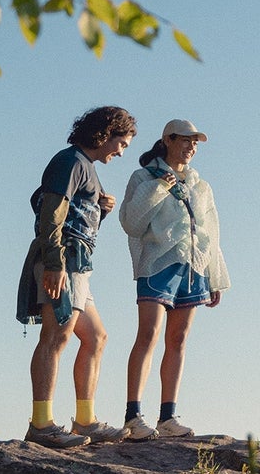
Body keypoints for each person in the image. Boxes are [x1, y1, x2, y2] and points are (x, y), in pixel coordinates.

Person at [17, 106, 137, 449]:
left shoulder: (86, 167)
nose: (121, 152)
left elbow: (78, 214)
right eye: (121, 143)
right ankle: (41, 425)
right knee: (56, 337)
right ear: (105, 133)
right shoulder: (70, 161)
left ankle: (86, 420)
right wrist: (54, 265)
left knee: (96, 337)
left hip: (79, 263)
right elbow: (51, 215)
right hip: (64, 259)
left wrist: (102, 208)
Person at [118, 118, 229, 440]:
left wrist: (215, 275)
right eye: (186, 140)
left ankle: (167, 417)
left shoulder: (200, 185)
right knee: (148, 334)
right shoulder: (143, 177)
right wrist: (160, 187)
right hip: (157, 263)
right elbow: (131, 223)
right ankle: (133, 415)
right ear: (168, 139)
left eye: (195, 142)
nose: (191, 147)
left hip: (194, 266)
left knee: (178, 339)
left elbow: (211, 231)